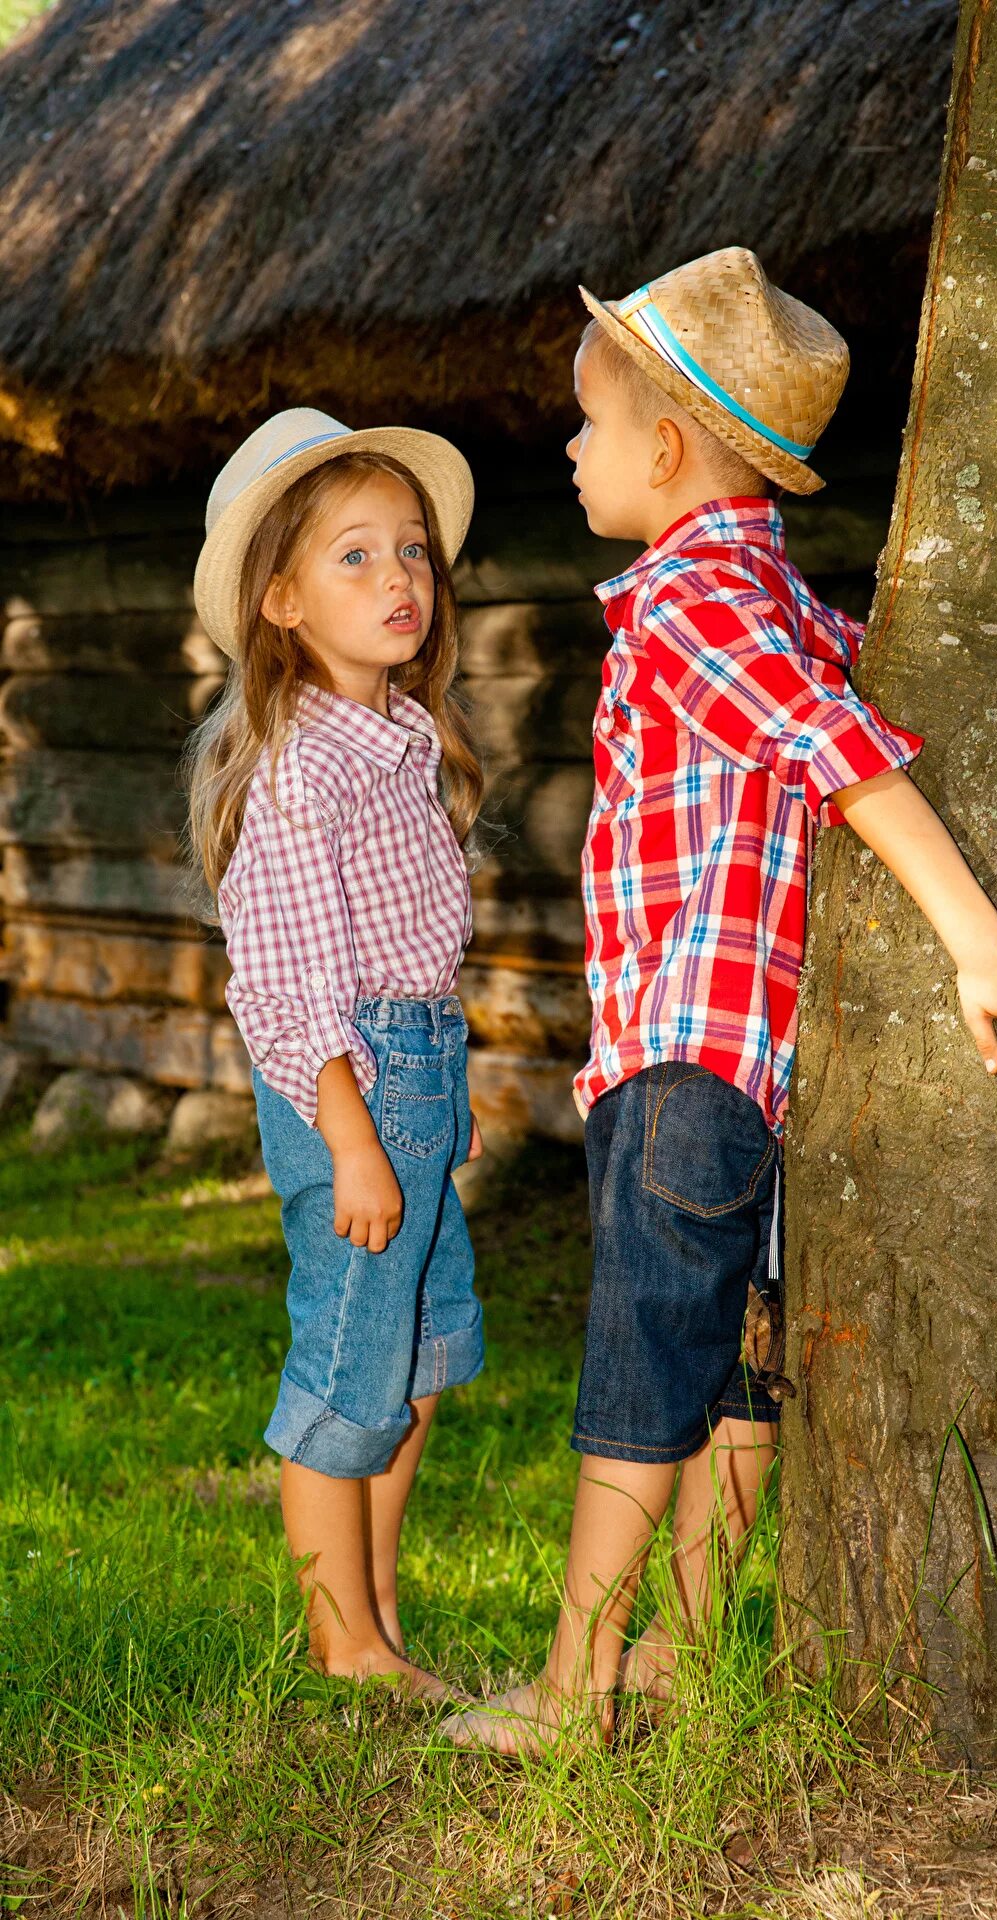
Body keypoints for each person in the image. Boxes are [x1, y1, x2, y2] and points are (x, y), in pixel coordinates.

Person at [445, 246, 997, 1754]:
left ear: (666, 448)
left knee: (643, 1357)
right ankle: (680, 1648)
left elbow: (844, 756)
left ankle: (579, 1683)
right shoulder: (772, 587)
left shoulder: (690, 605)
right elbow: (855, 708)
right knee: (734, 1358)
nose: (571, 445)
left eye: (587, 421)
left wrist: (978, 935)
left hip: (685, 1051)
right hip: (754, 1069)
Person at [184, 408, 485, 1699]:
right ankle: (341, 1641)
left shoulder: (398, 746)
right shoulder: (304, 765)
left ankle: (374, 1608)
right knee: (351, 1367)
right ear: (284, 600)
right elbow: (292, 986)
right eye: (353, 557)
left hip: (415, 1077)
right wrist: (356, 1141)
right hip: (350, 1086)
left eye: (411, 550)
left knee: (420, 1358)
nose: (399, 578)